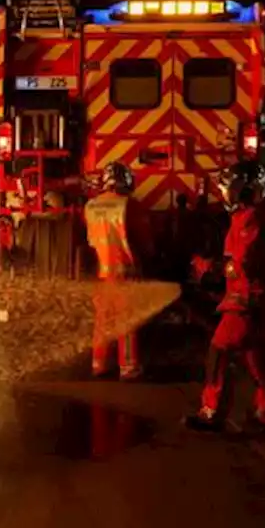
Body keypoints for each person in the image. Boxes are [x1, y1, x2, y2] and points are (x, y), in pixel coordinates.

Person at [184, 160, 265, 432]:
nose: (225, 194)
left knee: (219, 350)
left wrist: (209, 268)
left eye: (228, 189)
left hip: (246, 300)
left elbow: (241, 264)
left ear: (244, 190)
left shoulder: (251, 220)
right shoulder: (254, 217)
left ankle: (212, 411)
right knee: (260, 356)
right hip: (257, 299)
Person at [85, 162, 154, 381]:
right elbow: (144, 240)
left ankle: (99, 364)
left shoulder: (91, 206)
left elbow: (91, 241)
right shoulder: (130, 206)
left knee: (103, 321)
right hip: (126, 272)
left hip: (103, 273)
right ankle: (128, 367)